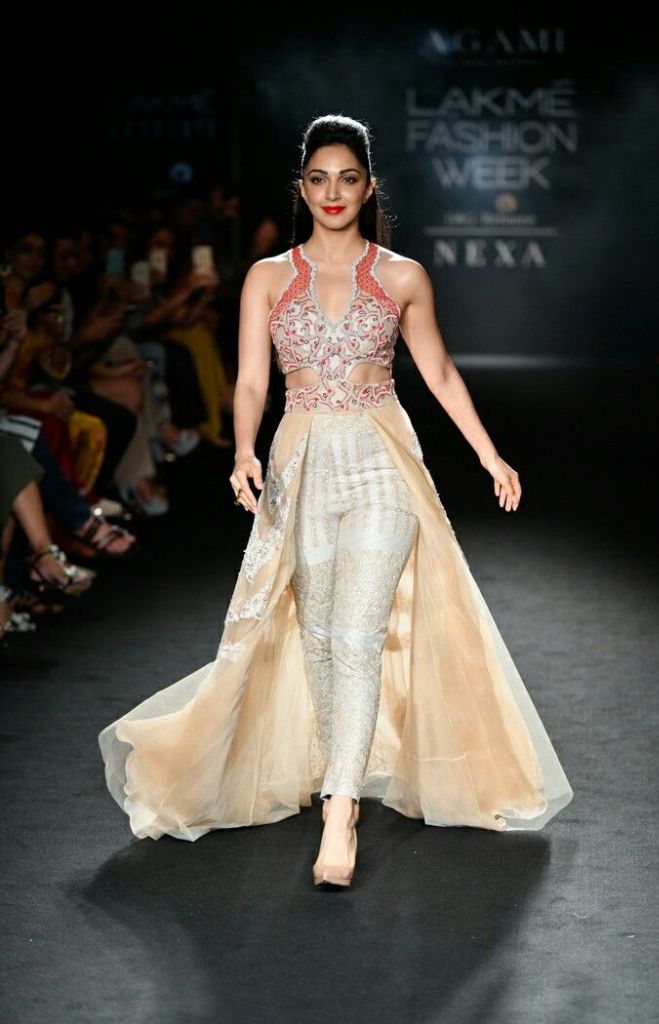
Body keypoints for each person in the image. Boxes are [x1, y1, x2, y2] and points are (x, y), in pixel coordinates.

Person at [98, 114, 574, 888]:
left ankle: (340, 811)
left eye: (347, 178)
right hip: (300, 461)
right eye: (318, 179)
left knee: (356, 636)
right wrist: (243, 449)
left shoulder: (402, 276)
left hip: (382, 457)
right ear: (301, 188)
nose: (332, 192)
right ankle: (336, 771)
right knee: (319, 634)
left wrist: (488, 453)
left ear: (367, 187)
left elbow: (438, 372)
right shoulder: (265, 277)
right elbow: (250, 380)